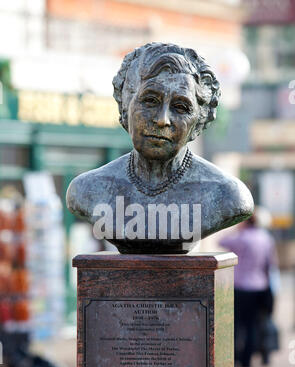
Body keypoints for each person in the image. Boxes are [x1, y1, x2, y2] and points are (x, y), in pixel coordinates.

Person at [67, 43, 253, 253]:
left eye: (181, 107)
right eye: (150, 101)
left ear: (198, 123)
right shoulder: (87, 190)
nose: (162, 120)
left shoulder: (226, 194)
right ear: (125, 105)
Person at [219, 210, 279, 367]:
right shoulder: (265, 238)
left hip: (241, 287)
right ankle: (249, 359)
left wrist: (234, 229)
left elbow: (222, 241)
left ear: (245, 222)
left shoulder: (241, 238)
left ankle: (236, 358)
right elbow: (270, 264)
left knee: (237, 325)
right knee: (254, 324)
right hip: (260, 285)